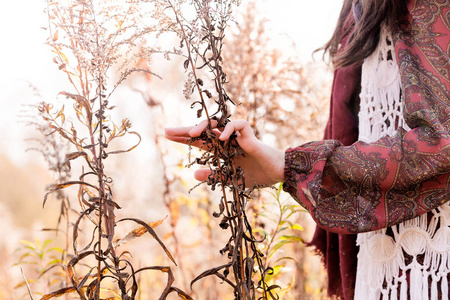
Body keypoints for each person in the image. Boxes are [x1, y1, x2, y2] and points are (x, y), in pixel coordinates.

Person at [165, 0, 450, 299]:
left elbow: (442, 142)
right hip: (383, 260)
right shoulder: (360, 10)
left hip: (429, 267)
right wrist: (278, 166)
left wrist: (291, 166)